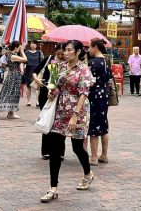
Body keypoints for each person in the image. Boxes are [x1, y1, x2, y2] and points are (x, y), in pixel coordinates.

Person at [41, 40, 94, 203]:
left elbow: (84, 93)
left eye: (69, 50)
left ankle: (88, 173)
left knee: (77, 147)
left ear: (78, 52)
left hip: (79, 111)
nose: (65, 52)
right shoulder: (60, 66)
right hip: (61, 110)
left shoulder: (84, 70)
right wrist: (52, 93)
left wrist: (75, 115)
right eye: (65, 50)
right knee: (55, 149)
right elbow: (56, 86)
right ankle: (53, 188)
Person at [32, 44, 65, 160]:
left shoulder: (68, 63)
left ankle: (59, 152)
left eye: (62, 54)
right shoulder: (50, 60)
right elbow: (35, 72)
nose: (60, 56)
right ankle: (46, 151)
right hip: (46, 94)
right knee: (47, 119)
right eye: (58, 54)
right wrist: (37, 79)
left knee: (60, 123)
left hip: (61, 95)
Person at [88, 38, 113, 166]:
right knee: (103, 124)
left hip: (94, 95)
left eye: (90, 47)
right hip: (104, 95)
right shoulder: (107, 61)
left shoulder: (93, 62)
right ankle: (104, 155)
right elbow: (109, 79)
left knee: (93, 126)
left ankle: (93, 157)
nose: (88, 50)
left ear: (95, 47)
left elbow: (90, 81)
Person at [0, 41, 27, 118]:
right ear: (16, 47)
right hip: (14, 75)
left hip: (13, 74)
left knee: (13, 92)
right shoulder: (13, 56)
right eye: (19, 47)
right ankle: (9, 112)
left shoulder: (10, 54)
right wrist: (22, 51)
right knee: (12, 92)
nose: (19, 49)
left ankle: (11, 113)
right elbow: (25, 59)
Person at [24, 40, 44, 107]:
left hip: (36, 71)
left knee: (37, 86)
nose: (32, 45)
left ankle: (37, 101)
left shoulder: (39, 52)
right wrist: (24, 66)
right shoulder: (26, 52)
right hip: (28, 70)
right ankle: (28, 101)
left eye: (34, 44)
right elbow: (24, 61)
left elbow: (42, 61)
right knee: (28, 86)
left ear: (36, 45)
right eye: (31, 43)